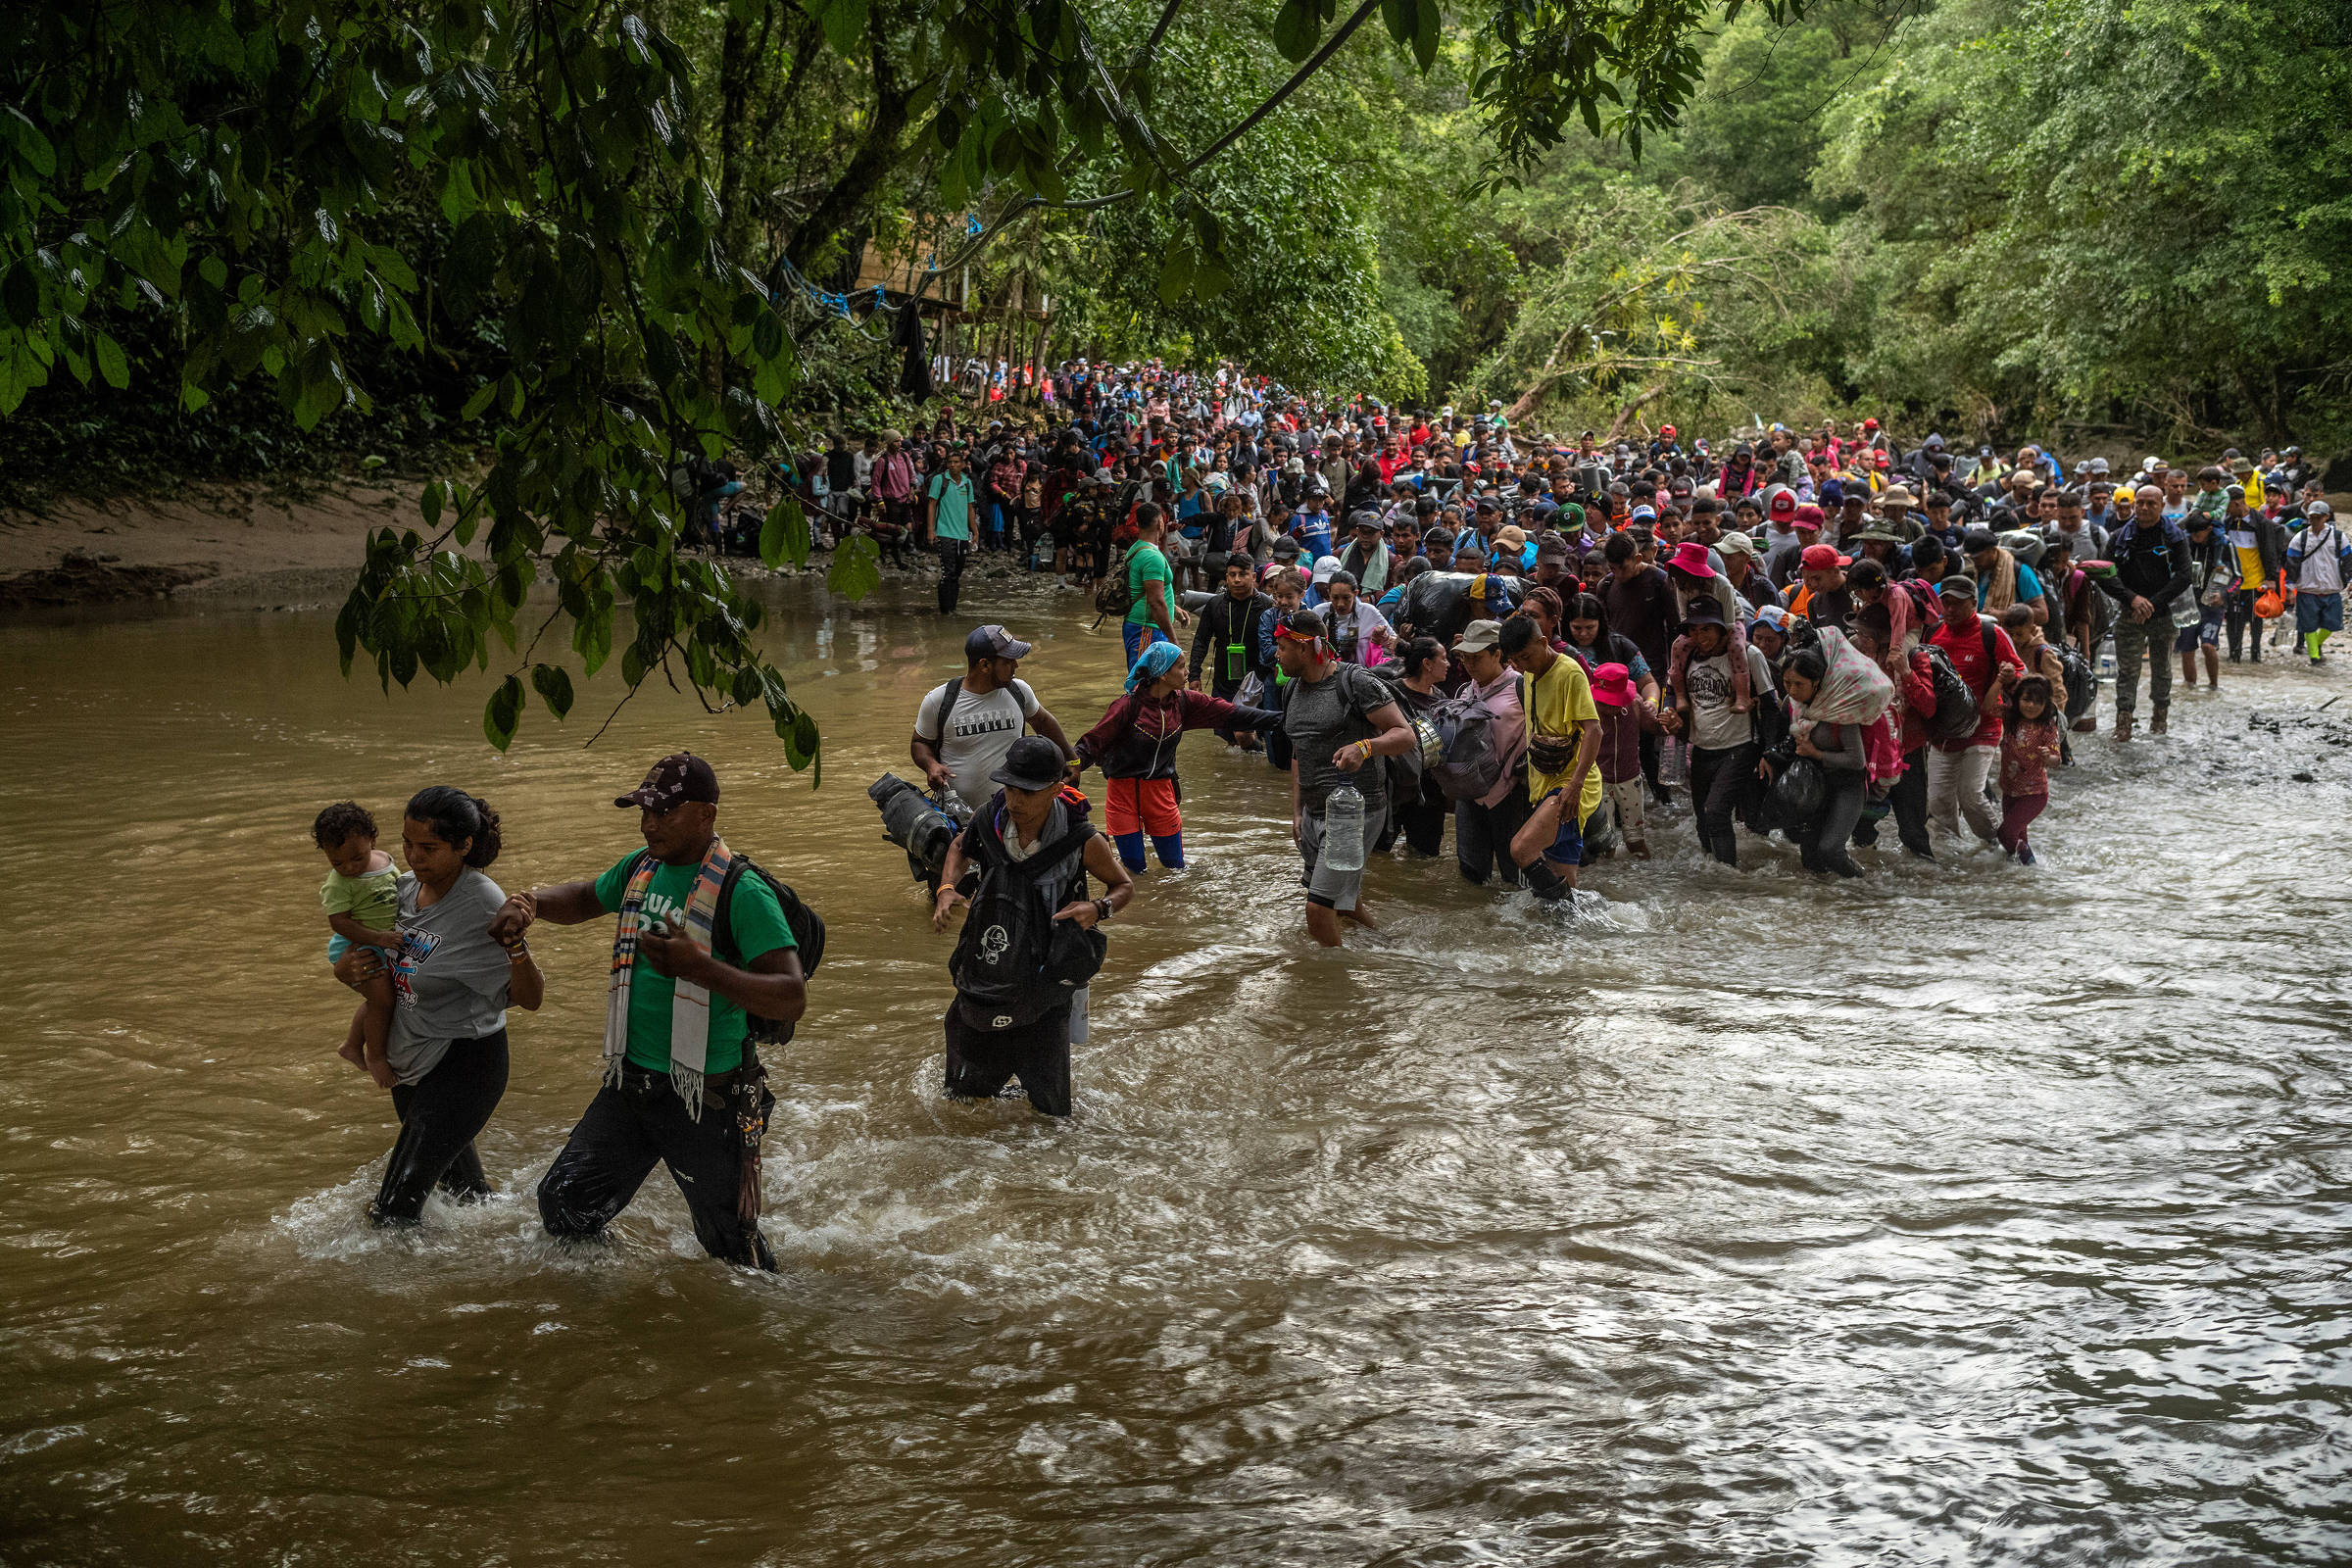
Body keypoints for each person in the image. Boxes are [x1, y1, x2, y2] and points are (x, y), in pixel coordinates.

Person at [496, 754, 806, 1270]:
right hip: (632, 1083)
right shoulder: (641, 868)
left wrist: (700, 968)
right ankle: (610, 1314)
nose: (650, 823)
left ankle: (764, 1338)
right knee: (566, 1202)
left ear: (706, 814)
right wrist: (530, 904)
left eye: (665, 812)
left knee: (734, 1252)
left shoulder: (742, 890)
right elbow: (583, 898)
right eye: (645, 811)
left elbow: (790, 994)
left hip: (706, 1095)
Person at [364, 786, 543, 1227]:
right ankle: (501, 1258)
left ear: (464, 846)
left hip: (464, 1065)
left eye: (429, 847)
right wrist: (350, 969)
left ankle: (400, 1292)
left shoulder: (481, 903)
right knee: (468, 1198)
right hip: (412, 1061)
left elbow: (531, 998)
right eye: (407, 843)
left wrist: (516, 945)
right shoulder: (403, 890)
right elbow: (392, 978)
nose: (413, 857)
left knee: (392, 1212)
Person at [930, 737, 1135, 1117]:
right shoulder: (987, 821)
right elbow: (959, 847)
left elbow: (1123, 887)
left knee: (1051, 1115)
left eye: (1026, 792)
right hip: (989, 968)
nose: (1014, 801)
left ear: (1057, 790)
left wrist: (1097, 907)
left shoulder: (1083, 840)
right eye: (1008, 788)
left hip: (1046, 977)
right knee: (961, 1104)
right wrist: (946, 889)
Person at [1075, 641, 1284, 872]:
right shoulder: (1127, 706)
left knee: (1176, 869)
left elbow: (1232, 713)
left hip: (1162, 792)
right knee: (1135, 871)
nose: (1187, 673)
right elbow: (1092, 743)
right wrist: (1068, 769)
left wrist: (1281, 719)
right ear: (1163, 674)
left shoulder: (1184, 702)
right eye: (1181, 667)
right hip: (1122, 794)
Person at [1275, 609, 1418, 947]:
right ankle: (1393, 950)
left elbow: (1405, 735)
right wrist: (1297, 812)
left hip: (1354, 811)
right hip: (1313, 812)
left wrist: (1365, 746)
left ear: (1305, 648)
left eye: (1281, 647)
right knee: (1343, 901)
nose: (1276, 654)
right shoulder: (1291, 690)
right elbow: (1300, 752)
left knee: (1318, 909)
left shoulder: (1355, 682)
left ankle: (1330, 989)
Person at [911, 625, 1076, 815]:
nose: (1016, 665)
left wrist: (1072, 761)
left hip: (1012, 813)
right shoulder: (939, 700)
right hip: (956, 815)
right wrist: (931, 765)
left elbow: (1043, 722)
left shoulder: (1019, 691)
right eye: (1008, 661)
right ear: (985, 665)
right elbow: (920, 742)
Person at [1499, 614, 1603, 902]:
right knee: (1564, 888)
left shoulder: (1568, 673)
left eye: (1526, 657)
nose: (1521, 666)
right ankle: (1570, 939)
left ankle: (1565, 908)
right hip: (1545, 787)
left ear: (1544, 642)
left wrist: (1575, 786)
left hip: (1571, 785)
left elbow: (1594, 730)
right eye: (1514, 661)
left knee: (1521, 849)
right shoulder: (1529, 675)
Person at [1677, 599, 1778, 866]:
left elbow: (1770, 705)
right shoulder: (1686, 656)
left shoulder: (1749, 655)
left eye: (1706, 630)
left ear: (1722, 629)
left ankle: (1729, 879)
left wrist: (1770, 751)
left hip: (1739, 748)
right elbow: (1673, 692)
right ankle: (1714, 876)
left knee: (1716, 812)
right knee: (1702, 821)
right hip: (1701, 749)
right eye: (1694, 631)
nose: (1700, 637)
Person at [1927, 573, 2025, 847]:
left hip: (1984, 728)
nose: (1949, 609)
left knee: (1970, 794)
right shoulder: (1934, 633)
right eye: (1944, 603)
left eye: (1956, 603)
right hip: (1943, 732)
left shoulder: (1991, 633)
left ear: (1974, 603)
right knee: (1938, 801)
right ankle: (1950, 861)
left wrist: (2009, 675)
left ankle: (2001, 843)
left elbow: (2019, 669)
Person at [314, 801, 402, 1085]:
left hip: (382, 943)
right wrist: (378, 938)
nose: (349, 867)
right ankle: (375, 1056)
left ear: (372, 841)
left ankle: (351, 1045)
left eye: (357, 858)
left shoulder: (386, 861)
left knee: (380, 999)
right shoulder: (338, 884)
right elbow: (339, 922)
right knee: (383, 1000)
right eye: (337, 862)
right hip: (357, 946)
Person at [2096, 485, 2193, 738]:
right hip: (2129, 611)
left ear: (2162, 506)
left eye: (2151, 503)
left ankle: (2160, 722)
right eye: (2140, 503)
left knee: (2162, 669)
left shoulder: (2174, 537)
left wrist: (2151, 604)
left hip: (2163, 612)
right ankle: (2123, 724)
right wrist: (2133, 599)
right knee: (2127, 671)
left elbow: (2184, 576)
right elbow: (2105, 573)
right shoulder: (2119, 537)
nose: (2144, 508)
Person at [1449, 619, 1532, 888]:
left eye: (1476, 657)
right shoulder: (1464, 692)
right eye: (1465, 658)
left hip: (1510, 793)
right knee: (1471, 871)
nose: (1469, 664)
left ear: (1498, 654)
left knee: (1515, 873)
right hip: (1470, 792)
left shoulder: (1522, 688)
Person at [1588, 662, 1667, 858]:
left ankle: (1645, 879)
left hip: (1630, 779)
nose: (1610, 708)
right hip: (1599, 782)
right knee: (1605, 844)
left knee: (1636, 841)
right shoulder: (1587, 708)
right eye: (1604, 703)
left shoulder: (1635, 704)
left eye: (1615, 704)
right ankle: (1610, 885)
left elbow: (1657, 729)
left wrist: (1667, 722)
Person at [1997, 675, 2062, 864]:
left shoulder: (2047, 727)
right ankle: (2023, 882)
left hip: (2034, 794)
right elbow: (1987, 707)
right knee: (2017, 839)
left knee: (2005, 833)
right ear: (2017, 699)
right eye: (2026, 700)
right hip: (2009, 790)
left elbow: (2056, 760)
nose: (2031, 706)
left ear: (2046, 704)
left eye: (2038, 702)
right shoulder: (2010, 718)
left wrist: (2046, 757)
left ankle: (2033, 868)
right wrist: (2000, 680)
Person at [2177, 510, 2238, 691]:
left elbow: (2238, 577)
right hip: (2188, 603)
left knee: (2207, 645)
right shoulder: (2185, 544)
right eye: (2191, 533)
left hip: (2213, 604)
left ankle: (2213, 686)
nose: (2195, 537)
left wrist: (2225, 595)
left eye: (2198, 533)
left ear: (2209, 529)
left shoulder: (2225, 545)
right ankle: (2190, 689)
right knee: (2186, 649)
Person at [2286, 500, 2349, 666]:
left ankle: (2316, 644)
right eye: (2312, 517)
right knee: (2308, 625)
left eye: (2318, 517)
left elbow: (2348, 560)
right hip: (2307, 588)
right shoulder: (2300, 538)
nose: (2314, 520)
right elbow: (2291, 563)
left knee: (2333, 624)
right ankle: (2314, 656)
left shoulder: (2339, 537)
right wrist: (2289, 587)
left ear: (2326, 517)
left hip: (2331, 588)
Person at [1122, 503, 1187, 662]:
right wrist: (1174, 641)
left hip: (1141, 624)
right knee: (1144, 683)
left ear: (1138, 524)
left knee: (1154, 682)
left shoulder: (1136, 548)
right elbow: (1156, 602)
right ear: (1159, 523)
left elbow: (1147, 590)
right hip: (1147, 627)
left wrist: (1174, 608)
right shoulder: (1152, 557)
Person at [923, 446, 979, 614]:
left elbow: (970, 509)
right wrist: (930, 530)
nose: (952, 465)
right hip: (944, 533)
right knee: (948, 572)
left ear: (963, 464)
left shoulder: (967, 483)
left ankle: (952, 609)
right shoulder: (940, 480)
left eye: (956, 462)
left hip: (962, 535)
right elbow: (931, 505)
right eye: (949, 462)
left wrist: (975, 531)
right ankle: (945, 611)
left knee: (957, 573)